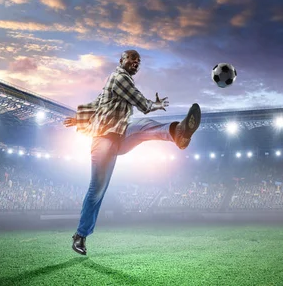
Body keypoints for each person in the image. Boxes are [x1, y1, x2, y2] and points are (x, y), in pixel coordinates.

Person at [62, 49, 201, 255]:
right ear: (122, 60)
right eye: (132, 59)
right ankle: (80, 236)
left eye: (139, 61)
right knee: (98, 189)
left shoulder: (115, 82)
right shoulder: (120, 78)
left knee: (143, 127)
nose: (136, 63)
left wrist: (77, 117)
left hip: (120, 136)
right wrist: (156, 104)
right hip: (103, 139)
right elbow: (142, 103)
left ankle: (178, 133)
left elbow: (97, 103)